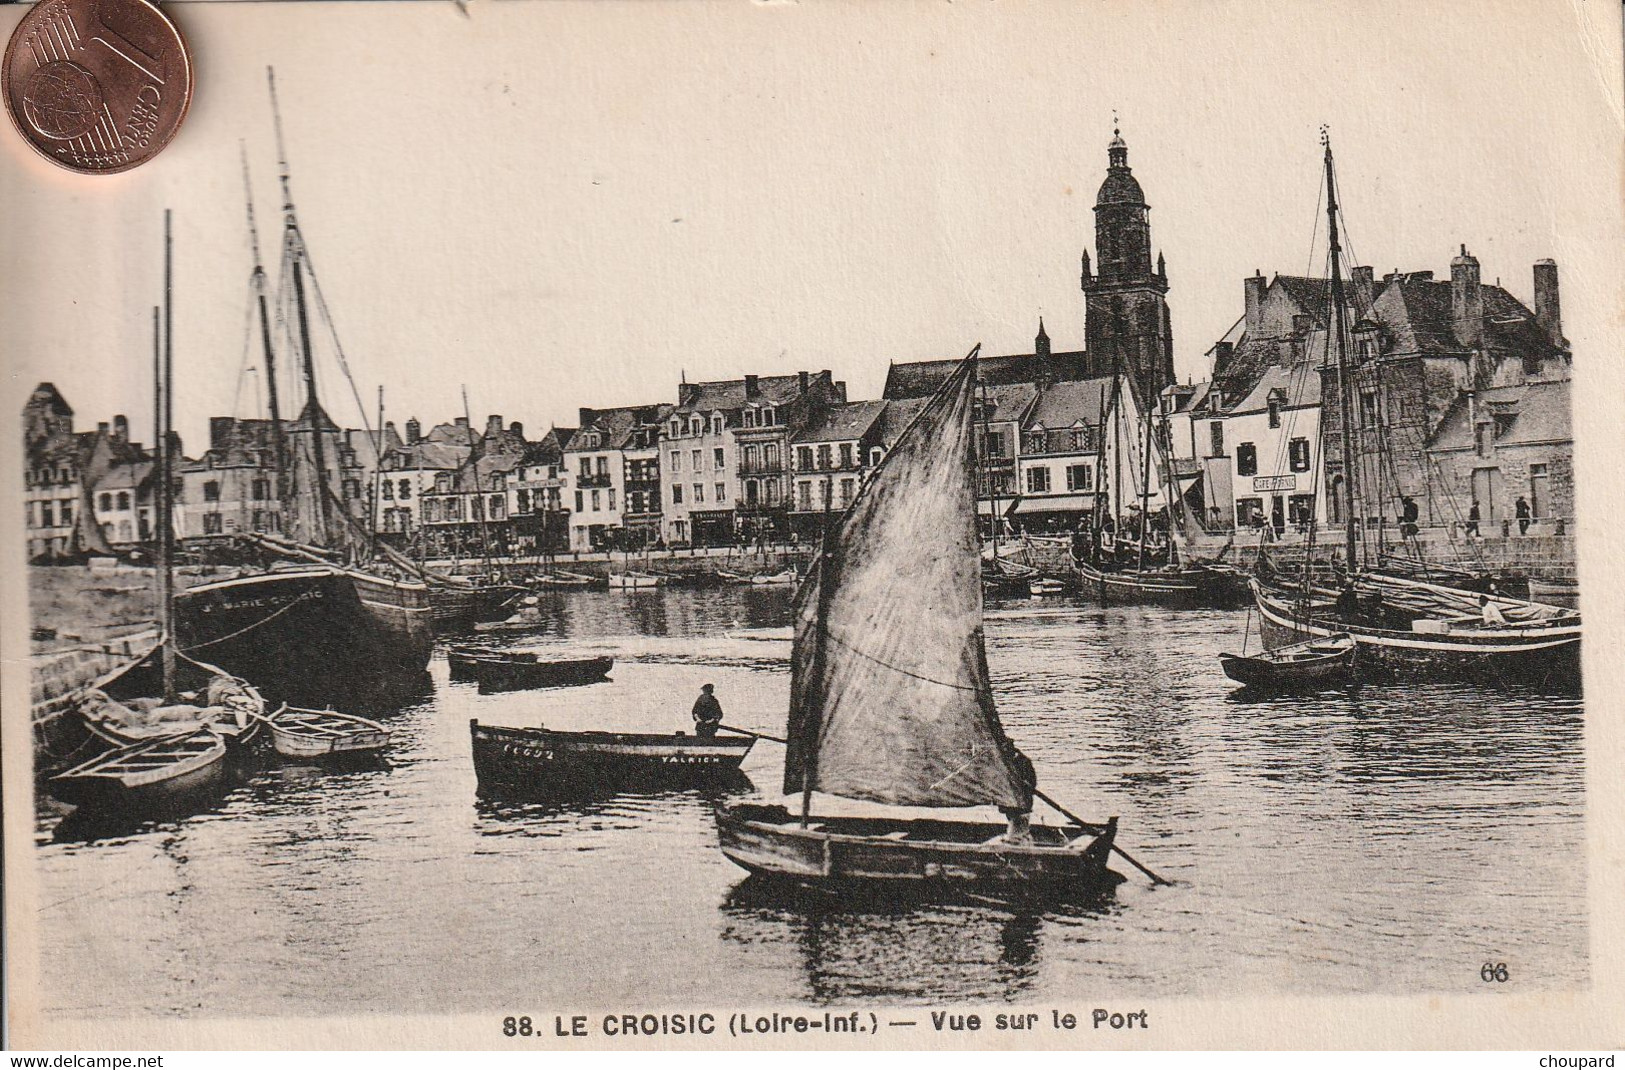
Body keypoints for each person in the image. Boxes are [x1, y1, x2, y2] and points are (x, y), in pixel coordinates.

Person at [997, 737, 1037, 843]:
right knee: (1012, 818)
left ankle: (1018, 841)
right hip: (1010, 799)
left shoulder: (1023, 761)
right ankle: (1015, 838)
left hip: (1022, 798)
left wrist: (1024, 786)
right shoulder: (1004, 762)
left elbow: (1032, 781)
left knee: (1020, 819)